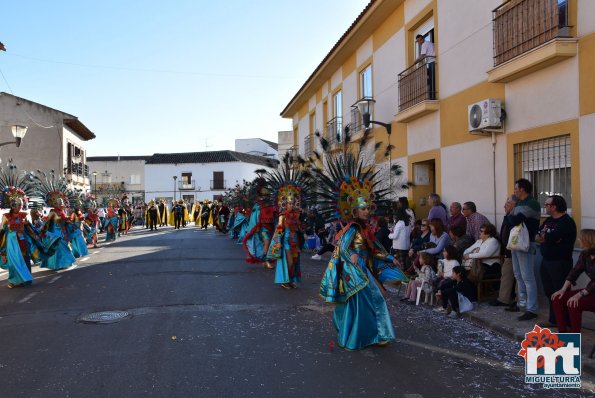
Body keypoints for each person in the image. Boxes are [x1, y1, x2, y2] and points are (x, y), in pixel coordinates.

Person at [317, 142, 407, 350]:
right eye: (363, 208)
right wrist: (352, 256)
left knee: (366, 304)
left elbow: (374, 249)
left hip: (364, 270)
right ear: (355, 211)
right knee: (372, 301)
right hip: (355, 272)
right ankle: (371, 335)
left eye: (368, 207)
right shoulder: (352, 228)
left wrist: (389, 258)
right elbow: (340, 247)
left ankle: (371, 335)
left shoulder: (366, 229)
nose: (367, 211)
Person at [536, 195, 577, 325]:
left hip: (560, 262)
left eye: (547, 204)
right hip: (546, 260)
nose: (545, 206)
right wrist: (545, 237)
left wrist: (546, 238)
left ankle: (566, 322)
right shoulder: (548, 220)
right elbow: (538, 235)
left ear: (554, 206)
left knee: (561, 292)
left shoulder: (566, 222)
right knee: (549, 291)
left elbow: (552, 237)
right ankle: (554, 319)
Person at [506, 178, 541, 321]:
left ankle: (532, 309)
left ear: (522, 189)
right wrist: (511, 212)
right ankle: (522, 304)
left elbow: (514, 220)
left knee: (527, 277)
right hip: (516, 242)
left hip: (527, 243)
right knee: (518, 275)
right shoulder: (519, 203)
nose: (514, 191)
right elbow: (509, 222)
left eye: (516, 188)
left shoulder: (532, 203)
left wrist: (510, 211)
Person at [551, 229, 595, 333]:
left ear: (587, 241)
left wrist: (580, 294)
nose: (579, 240)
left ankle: (574, 343)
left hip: (591, 290)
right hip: (590, 290)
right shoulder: (585, 254)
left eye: (581, 238)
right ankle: (563, 337)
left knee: (574, 303)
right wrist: (563, 289)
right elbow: (574, 272)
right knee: (558, 298)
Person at [490, 196, 518, 307]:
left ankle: (518, 300)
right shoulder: (508, 216)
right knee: (506, 274)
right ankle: (503, 299)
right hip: (507, 250)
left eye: (507, 203)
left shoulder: (515, 216)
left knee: (518, 277)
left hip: (515, 250)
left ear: (514, 204)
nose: (504, 205)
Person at [415, 34, 436, 100]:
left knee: (431, 80)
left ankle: (432, 97)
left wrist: (415, 61)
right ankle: (430, 95)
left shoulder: (424, 44)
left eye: (419, 41)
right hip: (432, 61)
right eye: (418, 41)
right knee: (430, 79)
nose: (419, 43)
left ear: (422, 39)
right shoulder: (429, 43)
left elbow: (422, 55)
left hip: (431, 62)